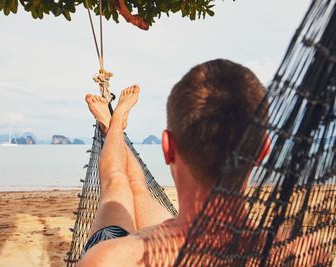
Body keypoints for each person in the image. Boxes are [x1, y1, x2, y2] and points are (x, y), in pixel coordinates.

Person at [78, 59, 269, 266]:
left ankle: (113, 124)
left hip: (156, 246)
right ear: (262, 151)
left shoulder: (107, 260)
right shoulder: (299, 251)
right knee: (136, 187)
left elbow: (110, 176)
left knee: (118, 183)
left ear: (167, 147)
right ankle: (113, 125)